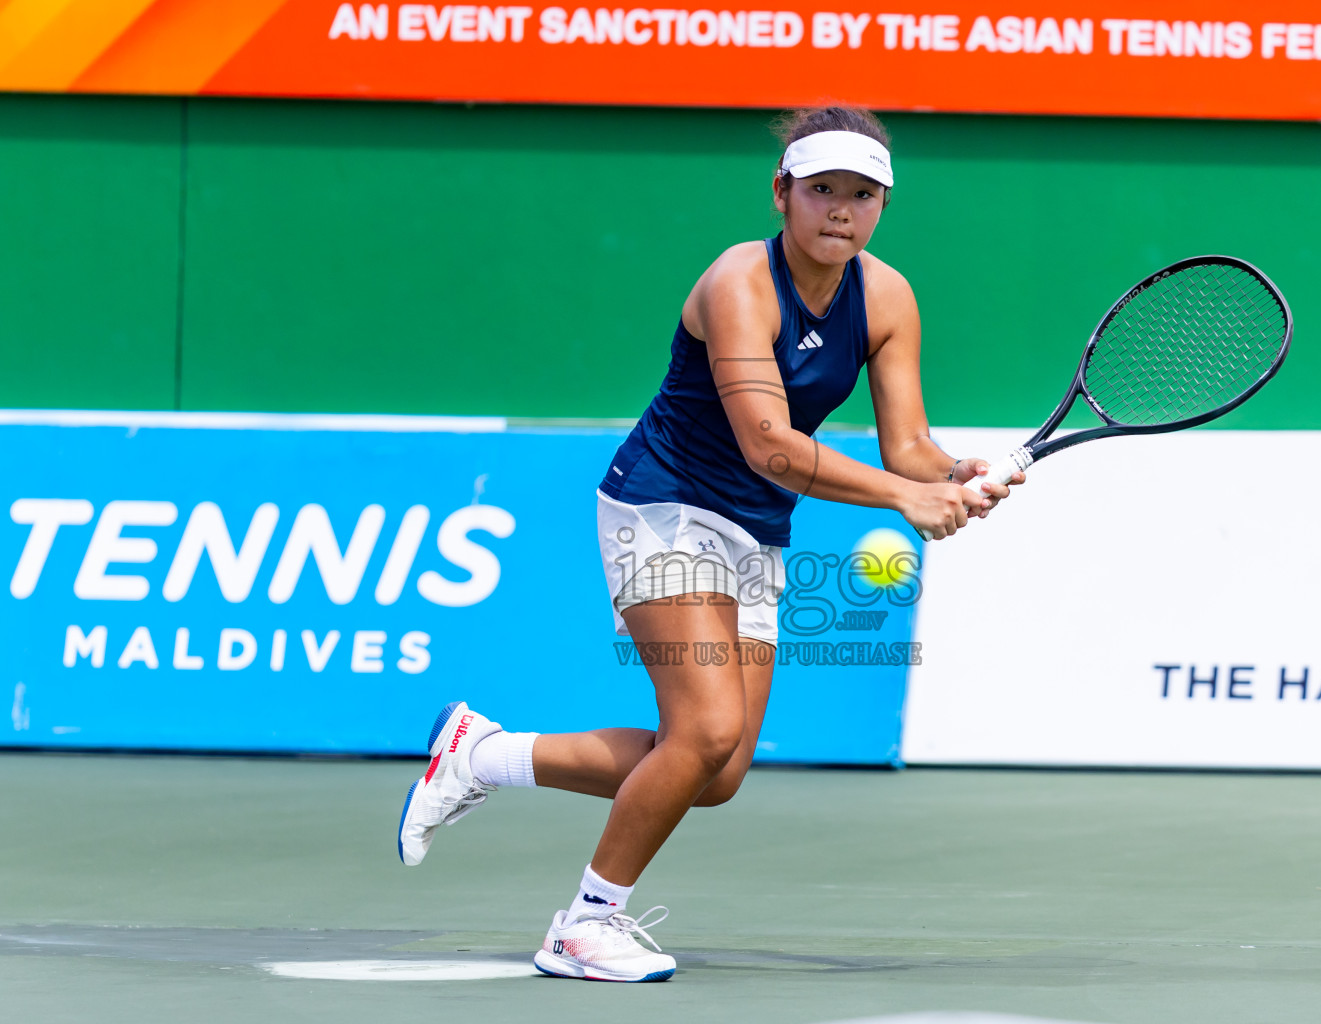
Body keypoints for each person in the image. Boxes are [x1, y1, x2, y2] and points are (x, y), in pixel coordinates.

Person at [396, 104, 1023, 983]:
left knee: (715, 768)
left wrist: (953, 473)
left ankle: (478, 752)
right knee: (706, 726)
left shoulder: (887, 297)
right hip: (663, 507)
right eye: (823, 191)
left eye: (862, 195)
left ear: (883, 204)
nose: (841, 210)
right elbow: (769, 440)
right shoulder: (738, 282)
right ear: (782, 194)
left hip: (756, 529)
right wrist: (903, 502)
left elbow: (906, 447)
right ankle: (583, 924)